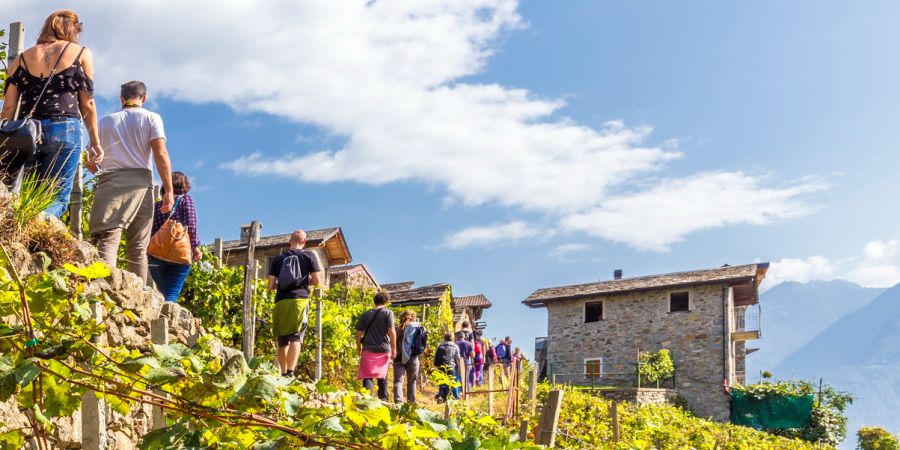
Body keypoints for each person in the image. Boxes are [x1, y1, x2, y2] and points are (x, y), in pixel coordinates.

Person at [0, 10, 103, 216]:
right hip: (65, 128)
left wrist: (3, 141)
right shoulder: (81, 53)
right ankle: (42, 225)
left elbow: (9, 107)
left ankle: (26, 228)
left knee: (29, 196)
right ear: (73, 30)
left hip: (28, 133)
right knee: (57, 198)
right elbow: (87, 103)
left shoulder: (22, 58)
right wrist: (95, 142)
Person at [89, 80, 173, 283]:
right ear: (144, 98)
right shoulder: (151, 118)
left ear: (122, 99)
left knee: (108, 239)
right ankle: (139, 296)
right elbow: (160, 154)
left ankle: (102, 289)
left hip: (110, 181)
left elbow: (91, 163)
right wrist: (168, 190)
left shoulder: (105, 122)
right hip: (141, 183)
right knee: (138, 247)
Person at [267, 230, 321, 377]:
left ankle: (283, 373)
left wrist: (283, 285)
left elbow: (270, 286)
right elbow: (316, 281)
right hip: (299, 300)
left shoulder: (278, 259)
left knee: (282, 340)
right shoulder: (309, 256)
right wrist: (303, 283)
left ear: (289, 241)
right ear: (304, 242)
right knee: (296, 337)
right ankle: (291, 372)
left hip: (281, 301)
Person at [148, 172, 200, 301]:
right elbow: (191, 226)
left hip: (156, 255)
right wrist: (195, 247)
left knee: (163, 293)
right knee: (171, 293)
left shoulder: (157, 206)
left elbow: (151, 231)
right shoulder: (186, 200)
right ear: (184, 185)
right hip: (180, 254)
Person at [356, 291, 396, 401]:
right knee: (382, 376)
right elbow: (391, 331)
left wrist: (358, 348)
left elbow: (358, 333)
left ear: (374, 301)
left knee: (367, 375)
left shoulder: (365, 314)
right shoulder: (388, 313)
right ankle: (383, 400)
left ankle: (366, 400)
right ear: (386, 301)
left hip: (368, 348)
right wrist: (394, 348)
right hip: (383, 349)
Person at [392, 309, 424, 404]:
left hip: (398, 358)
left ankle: (398, 402)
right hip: (413, 358)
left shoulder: (396, 329)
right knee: (412, 382)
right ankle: (411, 403)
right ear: (414, 318)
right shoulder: (417, 328)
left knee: (398, 381)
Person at [433, 333, 460, 403]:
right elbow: (458, 358)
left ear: (444, 338)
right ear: (452, 338)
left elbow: (435, 357)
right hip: (451, 367)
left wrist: (436, 366)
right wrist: (459, 367)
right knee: (450, 383)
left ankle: (440, 397)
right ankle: (447, 398)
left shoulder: (440, 346)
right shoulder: (455, 346)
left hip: (441, 367)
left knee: (441, 382)